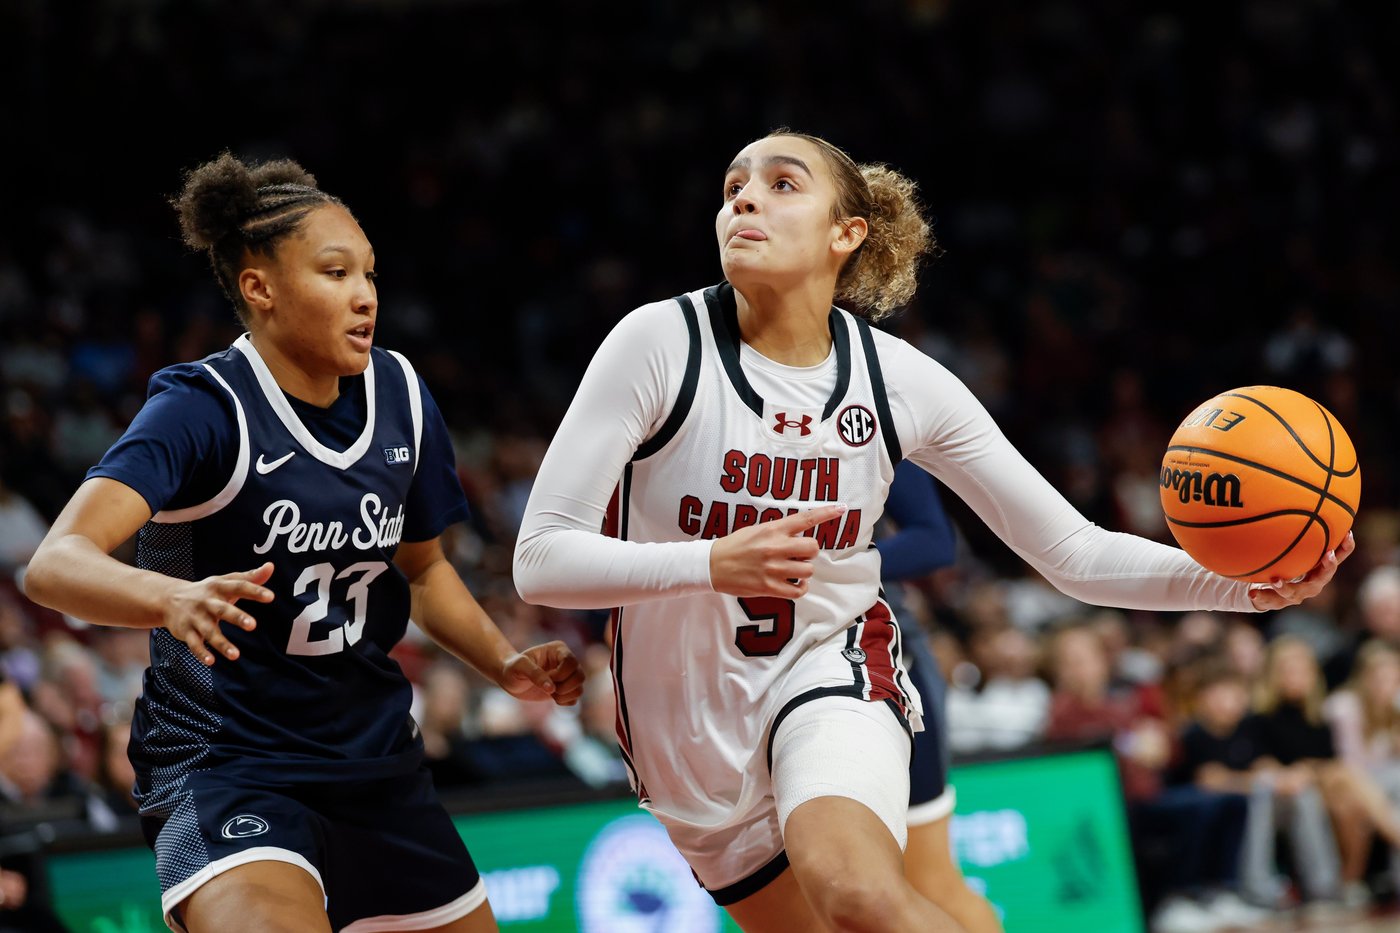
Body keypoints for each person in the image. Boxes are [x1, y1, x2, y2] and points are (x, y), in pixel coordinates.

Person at [511, 129, 1349, 933]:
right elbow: (541, 561)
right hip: (680, 722)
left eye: (780, 184)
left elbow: (1072, 550)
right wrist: (711, 561)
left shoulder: (899, 381)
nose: (744, 203)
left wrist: (1243, 587)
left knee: (862, 898)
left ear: (849, 232)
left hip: (827, 668)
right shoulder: (657, 342)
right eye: (734, 188)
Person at [23, 153, 585, 933]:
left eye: (370, 274)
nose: (365, 296)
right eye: (334, 273)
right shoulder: (201, 407)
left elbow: (422, 569)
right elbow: (55, 563)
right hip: (227, 766)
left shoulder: (400, 395)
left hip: (377, 765)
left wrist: (504, 660)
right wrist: (171, 595)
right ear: (261, 288)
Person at [877, 461, 1002, 931]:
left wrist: (831, 563)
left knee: (929, 880)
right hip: (753, 671)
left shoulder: (865, 411)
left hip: (886, 663)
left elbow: (934, 539)